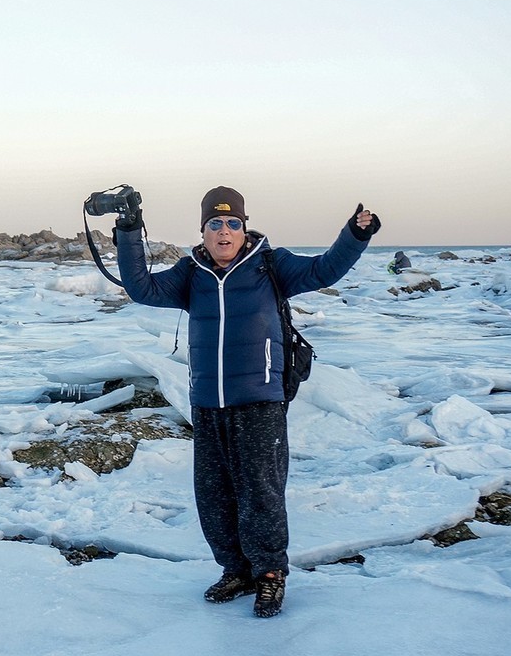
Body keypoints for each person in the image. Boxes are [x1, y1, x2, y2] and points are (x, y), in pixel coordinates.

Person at [115, 186, 380, 618]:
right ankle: (235, 570)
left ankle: (271, 575)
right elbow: (141, 288)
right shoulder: (190, 273)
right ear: (202, 232)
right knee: (214, 494)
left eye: (232, 223)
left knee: (261, 492)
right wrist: (128, 231)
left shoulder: (270, 265)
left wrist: (354, 234)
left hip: (259, 399)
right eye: (215, 224)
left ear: (244, 227)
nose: (224, 232)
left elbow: (324, 271)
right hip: (207, 401)